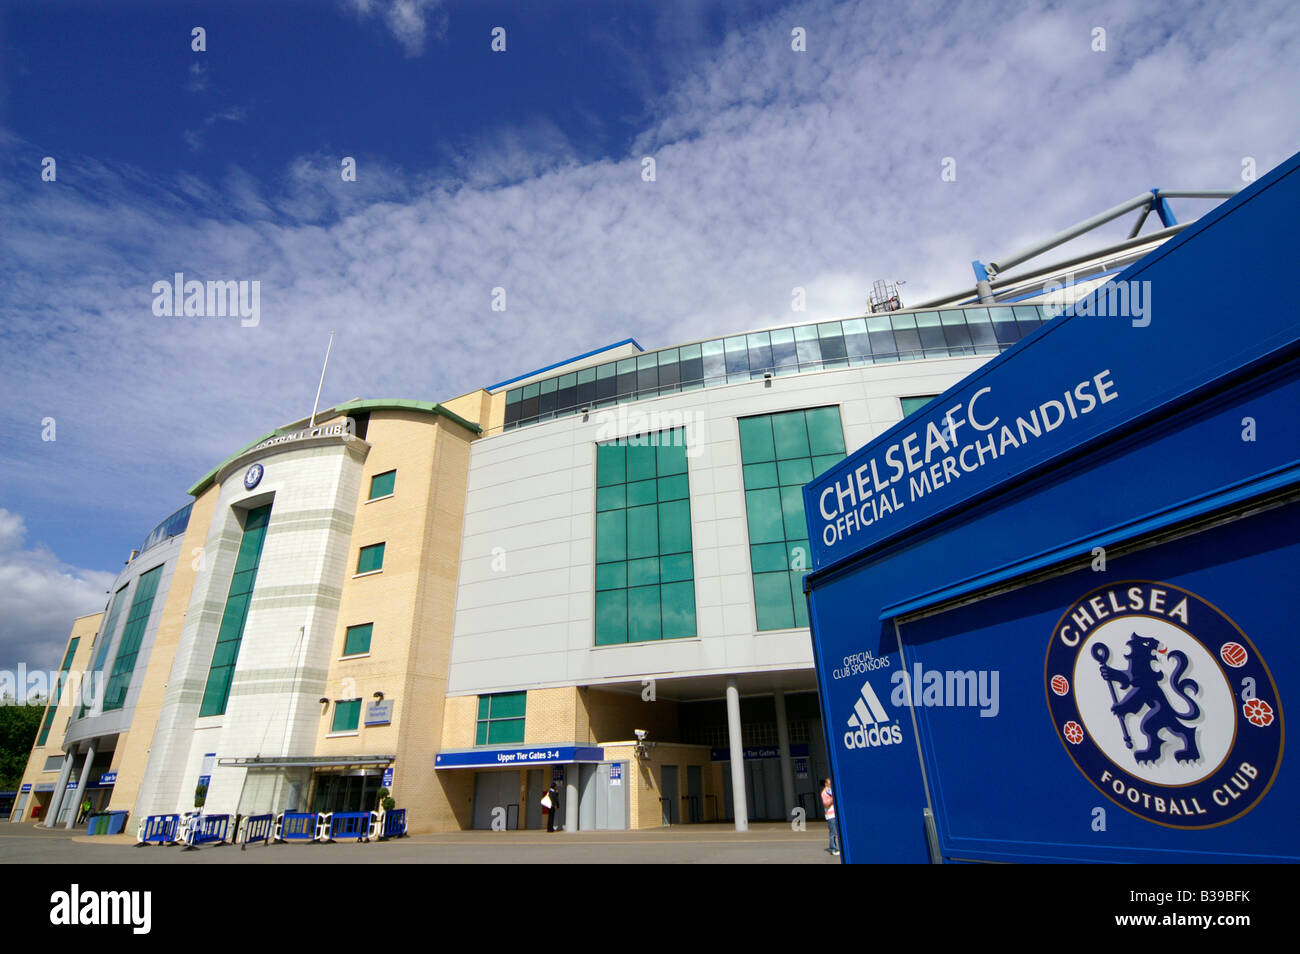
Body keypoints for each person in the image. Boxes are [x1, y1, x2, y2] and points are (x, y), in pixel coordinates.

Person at [820, 778, 839, 856]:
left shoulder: (832, 791)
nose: (831, 785)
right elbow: (826, 804)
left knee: (838, 832)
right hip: (830, 815)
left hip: (836, 814)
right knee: (833, 833)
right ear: (826, 784)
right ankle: (833, 849)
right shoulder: (824, 793)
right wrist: (832, 799)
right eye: (829, 783)